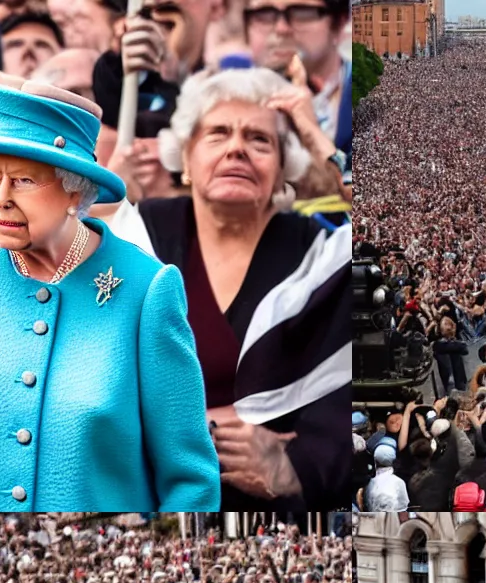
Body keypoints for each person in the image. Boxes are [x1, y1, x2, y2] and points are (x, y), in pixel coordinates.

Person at [0, 75, 219, 512]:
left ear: (75, 189)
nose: (1, 199)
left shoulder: (147, 290)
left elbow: (189, 480)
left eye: (25, 181)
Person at [101, 67, 351, 517]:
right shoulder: (135, 235)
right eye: (218, 134)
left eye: (259, 140)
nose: (237, 147)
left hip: (277, 518)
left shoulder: (317, 253)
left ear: (281, 172)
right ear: (187, 159)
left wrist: (294, 467)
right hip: (152, 506)